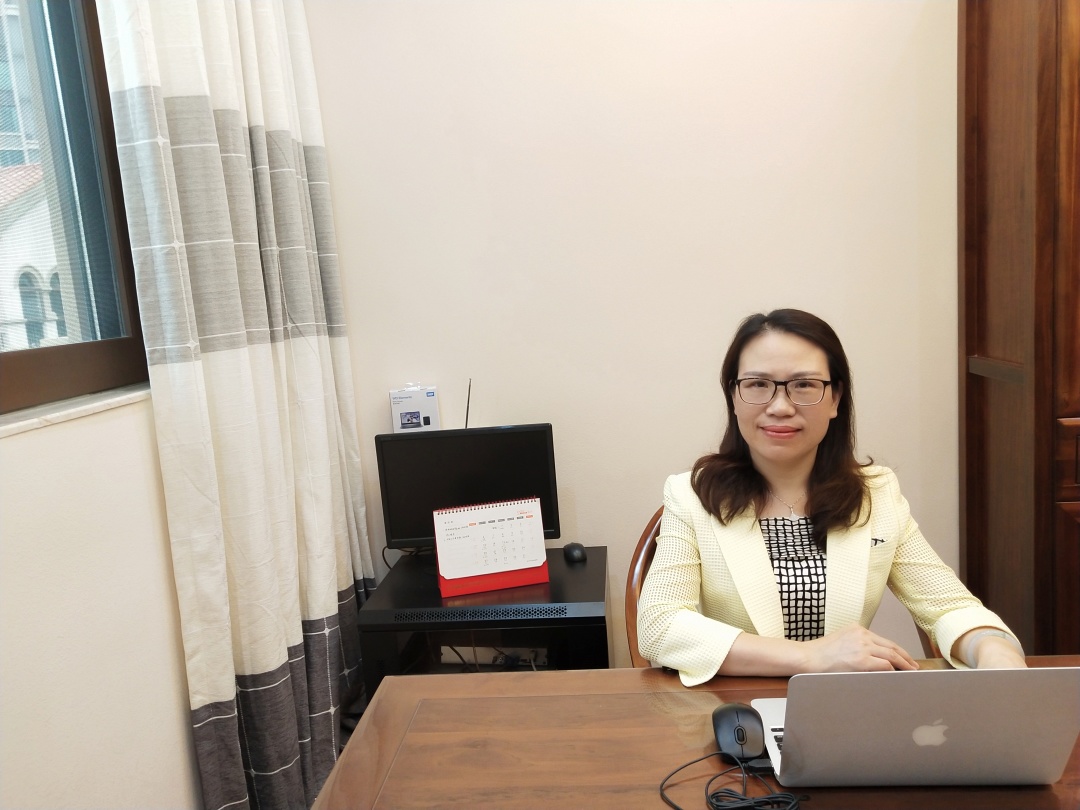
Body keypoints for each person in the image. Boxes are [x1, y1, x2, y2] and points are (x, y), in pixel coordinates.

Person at [637, 308, 1026, 686]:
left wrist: (997, 653)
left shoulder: (876, 494)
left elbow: (949, 606)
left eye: (804, 385)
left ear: (835, 398)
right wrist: (810, 657)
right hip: (737, 710)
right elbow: (660, 626)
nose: (780, 407)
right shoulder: (691, 495)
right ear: (734, 397)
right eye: (757, 385)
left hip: (846, 708)